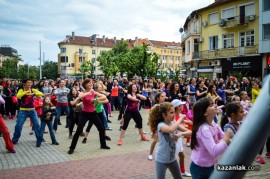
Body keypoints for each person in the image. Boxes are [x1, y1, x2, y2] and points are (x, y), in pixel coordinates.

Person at [190, 98, 233, 178]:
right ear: (205, 113)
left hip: (210, 165)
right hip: (200, 169)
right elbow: (214, 151)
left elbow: (222, 137)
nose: (215, 106)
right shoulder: (204, 129)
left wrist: (225, 139)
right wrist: (226, 138)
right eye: (211, 105)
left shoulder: (213, 124)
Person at [68, 78, 110, 155]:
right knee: (78, 131)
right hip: (85, 114)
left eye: (91, 83)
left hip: (93, 113)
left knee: (101, 128)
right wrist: (89, 93)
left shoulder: (93, 92)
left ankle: (103, 145)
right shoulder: (82, 92)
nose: (91, 84)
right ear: (85, 85)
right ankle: (71, 148)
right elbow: (81, 96)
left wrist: (96, 99)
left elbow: (104, 97)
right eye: (89, 83)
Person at [148, 102, 185, 179]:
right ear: (164, 115)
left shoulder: (173, 123)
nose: (174, 114)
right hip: (161, 160)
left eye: (174, 112)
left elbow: (190, 131)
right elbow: (170, 129)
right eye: (171, 112)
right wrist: (180, 119)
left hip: (172, 159)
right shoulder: (161, 125)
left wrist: (180, 134)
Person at [12, 79, 44, 147]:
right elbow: (18, 96)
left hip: (32, 110)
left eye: (31, 82)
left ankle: (39, 138)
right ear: (25, 83)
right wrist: (26, 92)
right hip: (23, 111)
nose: (30, 84)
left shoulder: (33, 90)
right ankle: (15, 139)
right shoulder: (21, 90)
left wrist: (34, 93)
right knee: (18, 125)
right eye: (28, 82)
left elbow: (41, 94)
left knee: (37, 125)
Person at [171, 99, 192, 177]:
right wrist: (184, 125)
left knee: (182, 156)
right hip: (174, 138)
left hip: (179, 138)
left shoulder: (181, 115)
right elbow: (175, 127)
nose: (182, 106)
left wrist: (186, 123)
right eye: (181, 105)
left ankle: (182, 171)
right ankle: (176, 174)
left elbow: (190, 123)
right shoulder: (173, 116)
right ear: (176, 107)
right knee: (174, 158)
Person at [148, 92, 167, 161]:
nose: (164, 98)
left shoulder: (165, 105)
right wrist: (152, 129)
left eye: (164, 96)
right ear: (158, 98)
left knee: (164, 140)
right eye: (162, 96)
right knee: (155, 140)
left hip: (164, 125)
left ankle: (164, 154)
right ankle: (150, 154)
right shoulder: (155, 107)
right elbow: (151, 118)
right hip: (156, 126)